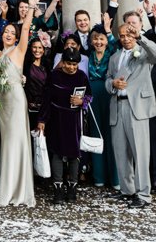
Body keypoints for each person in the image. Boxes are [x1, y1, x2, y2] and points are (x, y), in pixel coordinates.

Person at [106, 22, 156, 208]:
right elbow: (107, 79)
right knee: (121, 152)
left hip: (137, 107)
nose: (125, 39)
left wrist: (140, 37)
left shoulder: (143, 52)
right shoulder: (114, 58)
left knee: (140, 152)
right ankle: (127, 191)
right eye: (122, 36)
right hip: (117, 105)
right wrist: (113, 84)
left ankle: (144, 194)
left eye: (129, 35)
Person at [37, 47, 91, 203]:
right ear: (62, 63)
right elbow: (46, 100)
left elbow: (89, 96)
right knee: (57, 153)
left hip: (74, 120)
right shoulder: (54, 76)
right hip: (57, 119)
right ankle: (58, 190)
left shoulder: (81, 76)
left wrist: (82, 102)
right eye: (68, 63)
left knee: (74, 154)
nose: (72, 67)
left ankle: (72, 189)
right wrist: (42, 120)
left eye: (75, 64)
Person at [0, 0, 36, 207]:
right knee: (7, 143)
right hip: (3, 103)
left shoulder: (19, 51)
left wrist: (30, 8)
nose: (9, 35)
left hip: (16, 100)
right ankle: (8, 186)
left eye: (13, 33)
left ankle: (17, 190)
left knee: (15, 142)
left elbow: (27, 28)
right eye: (6, 32)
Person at [86, 21, 119, 190]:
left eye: (102, 39)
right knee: (96, 134)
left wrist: (108, 30)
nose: (99, 42)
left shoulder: (113, 54)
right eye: (96, 39)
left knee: (111, 134)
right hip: (92, 97)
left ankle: (115, 179)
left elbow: (117, 44)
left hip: (108, 94)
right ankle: (99, 176)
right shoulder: (88, 56)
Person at [23, 38, 49, 131]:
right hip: (29, 106)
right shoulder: (26, 64)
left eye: (40, 47)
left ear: (44, 49)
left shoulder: (47, 65)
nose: (37, 50)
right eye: (34, 47)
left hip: (43, 106)